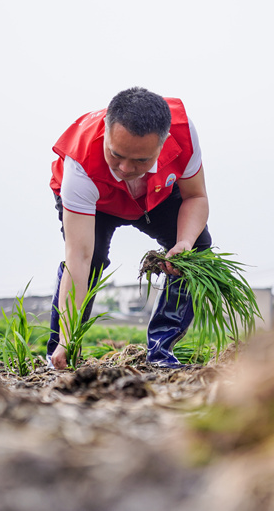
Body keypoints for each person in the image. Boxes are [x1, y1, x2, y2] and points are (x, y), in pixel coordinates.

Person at [47, 87, 211, 369]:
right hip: (97, 201)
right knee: (93, 260)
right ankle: (62, 350)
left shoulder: (183, 134)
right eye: (116, 154)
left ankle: (162, 352)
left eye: (140, 160)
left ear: (163, 143)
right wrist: (66, 338)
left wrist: (183, 243)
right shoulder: (80, 165)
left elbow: (195, 196)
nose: (124, 168)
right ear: (107, 132)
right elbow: (80, 259)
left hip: (156, 194)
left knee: (194, 250)